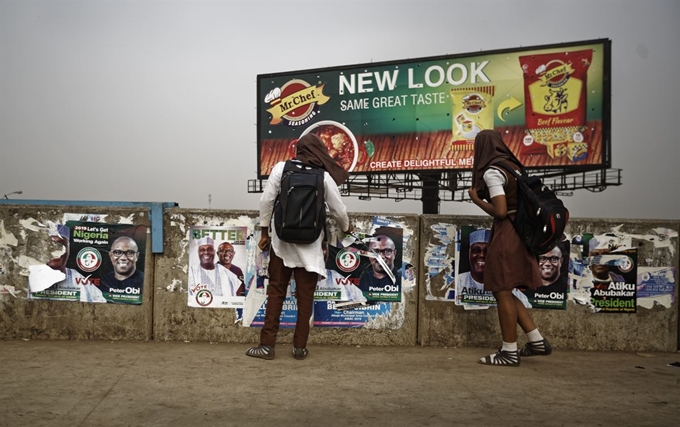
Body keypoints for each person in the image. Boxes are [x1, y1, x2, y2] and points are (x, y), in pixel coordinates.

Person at [247, 133, 351, 361]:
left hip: (281, 243)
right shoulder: (323, 175)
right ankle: (300, 347)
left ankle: (266, 346)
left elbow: (266, 202)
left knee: (276, 292)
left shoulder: (281, 168)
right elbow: (339, 211)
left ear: (299, 149)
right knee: (305, 297)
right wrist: (346, 227)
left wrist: (265, 232)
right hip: (310, 246)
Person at [468, 129, 551, 366]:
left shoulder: (493, 172)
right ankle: (536, 341)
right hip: (522, 233)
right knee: (506, 290)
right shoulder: (513, 167)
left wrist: (477, 200)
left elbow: (501, 210)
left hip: (507, 233)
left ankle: (509, 351)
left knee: (501, 289)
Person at [42, 224, 106, 303]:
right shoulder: (29, 277)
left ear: (68, 249)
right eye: (49, 245)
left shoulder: (80, 279)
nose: (55, 250)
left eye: (61, 244)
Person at [454, 229, 489, 296]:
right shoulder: (459, 281)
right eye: (476, 250)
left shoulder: (508, 284)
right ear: (469, 254)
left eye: (487, 251)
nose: (482, 255)